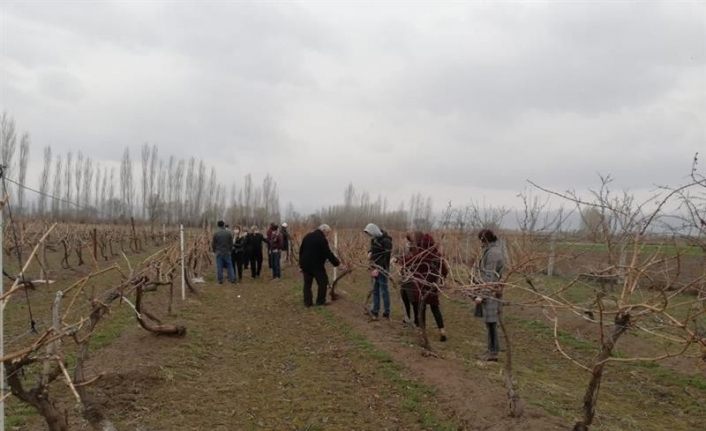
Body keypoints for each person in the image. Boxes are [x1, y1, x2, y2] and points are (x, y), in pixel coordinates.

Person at [474, 228, 506, 361]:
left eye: (481, 240)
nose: (480, 243)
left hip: (492, 292)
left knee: (492, 323)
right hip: (492, 291)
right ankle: (491, 350)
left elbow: (490, 276)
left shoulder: (493, 253)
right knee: (489, 323)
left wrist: (482, 295)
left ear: (485, 239)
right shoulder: (492, 250)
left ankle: (493, 353)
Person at [413, 233, 449, 342]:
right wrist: (442, 278)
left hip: (421, 286)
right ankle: (442, 330)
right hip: (433, 285)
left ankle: (421, 331)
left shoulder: (420, 255)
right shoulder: (437, 256)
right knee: (435, 308)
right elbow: (444, 270)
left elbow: (410, 262)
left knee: (421, 308)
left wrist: (398, 260)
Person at [299, 224, 342, 306]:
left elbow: (301, 251)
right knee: (323, 282)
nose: (327, 235)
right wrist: (337, 263)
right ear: (324, 231)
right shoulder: (322, 239)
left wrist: (301, 265)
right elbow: (328, 253)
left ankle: (307, 303)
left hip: (306, 265)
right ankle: (320, 301)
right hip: (316, 265)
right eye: (328, 233)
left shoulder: (307, 236)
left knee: (307, 284)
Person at [363, 223, 392, 320]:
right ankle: (375, 310)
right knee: (375, 290)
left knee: (384, 291)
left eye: (370, 233)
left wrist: (378, 268)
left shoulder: (387, 241)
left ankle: (386, 312)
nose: (370, 236)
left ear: (374, 231)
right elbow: (373, 251)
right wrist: (369, 253)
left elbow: (386, 257)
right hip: (374, 267)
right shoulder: (374, 239)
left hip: (383, 268)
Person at [400, 231, 423, 325]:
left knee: (414, 301)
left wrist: (403, 261)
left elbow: (412, 260)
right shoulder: (408, 246)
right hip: (405, 276)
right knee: (404, 297)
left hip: (413, 278)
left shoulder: (418, 249)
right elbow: (405, 258)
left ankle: (417, 321)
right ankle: (407, 318)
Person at [212, 220, 235, 284]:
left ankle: (220, 280)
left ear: (218, 225)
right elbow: (231, 243)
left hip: (219, 252)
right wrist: (230, 250)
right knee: (230, 266)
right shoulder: (228, 233)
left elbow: (213, 243)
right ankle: (232, 279)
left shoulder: (216, 233)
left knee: (219, 266)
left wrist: (214, 251)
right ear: (223, 225)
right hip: (227, 252)